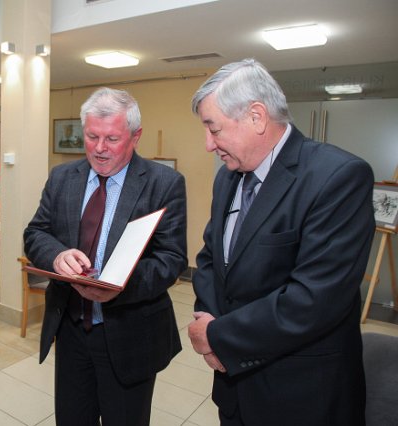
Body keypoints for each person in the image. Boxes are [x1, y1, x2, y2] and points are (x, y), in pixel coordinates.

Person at [187, 58, 375, 426]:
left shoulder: (337, 177)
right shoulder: (227, 177)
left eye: (214, 128)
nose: (208, 144)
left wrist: (217, 336)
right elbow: (211, 258)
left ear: (256, 117)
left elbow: (314, 299)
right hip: (233, 386)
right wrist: (209, 321)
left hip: (301, 395)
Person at [24, 87, 187, 426]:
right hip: (71, 332)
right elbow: (35, 233)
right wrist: (56, 256)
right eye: (91, 136)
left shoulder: (164, 183)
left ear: (135, 136)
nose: (99, 148)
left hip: (129, 337)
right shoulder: (62, 177)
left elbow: (171, 259)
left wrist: (118, 285)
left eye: (112, 138)